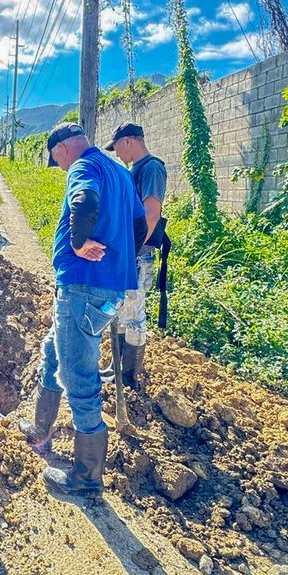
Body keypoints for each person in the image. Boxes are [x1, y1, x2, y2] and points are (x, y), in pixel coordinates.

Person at [18, 122, 147, 497]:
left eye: (55, 161)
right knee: (54, 354)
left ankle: (87, 477)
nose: (58, 168)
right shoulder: (121, 173)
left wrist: (78, 242)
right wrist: (117, 254)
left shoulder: (84, 167)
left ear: (60, 148)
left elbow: (84, 201)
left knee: (79, 378)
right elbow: (140, 224)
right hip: (105, 287)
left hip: (82, 288)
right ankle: (41, 431)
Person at [105, 122, 168, 387]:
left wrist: (130, 254)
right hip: (128, 253)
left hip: (138, 255)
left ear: (128, 141)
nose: (116, 153)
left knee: (133, 314)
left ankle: (129, 375)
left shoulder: (152, 168)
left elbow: (151, 215)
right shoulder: (135, 170)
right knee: (120, 311)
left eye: (117, 147)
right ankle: (116, 368)